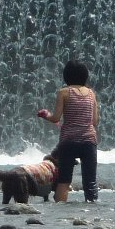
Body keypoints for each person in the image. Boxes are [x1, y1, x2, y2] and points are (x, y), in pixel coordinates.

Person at [36, 58, 100, 203]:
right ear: (85, 76)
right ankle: (92, 208)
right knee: (90, 181)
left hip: (68, 141)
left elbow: (56, 118)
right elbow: (95, 121)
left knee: (64, 180)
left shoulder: (64, 92)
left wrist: (46, 115)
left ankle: (61, 210)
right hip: (88, 141)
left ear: (66, 76)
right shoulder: (91, 93)